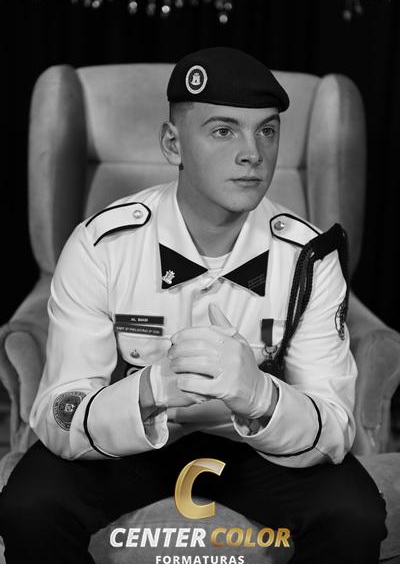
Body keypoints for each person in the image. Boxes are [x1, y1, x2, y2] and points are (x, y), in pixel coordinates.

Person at [0, 47, 387, 563]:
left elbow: (335, 426)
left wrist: (259, 396)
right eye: (224, 130)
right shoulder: (102, 246)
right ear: (172, 143)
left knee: (356, 514)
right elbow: (60, 414)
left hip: (257, 447)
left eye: (267, 131)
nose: (253, 153)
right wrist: (151, 389)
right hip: (133, 442)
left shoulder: (309, 257)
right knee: (29, 506)